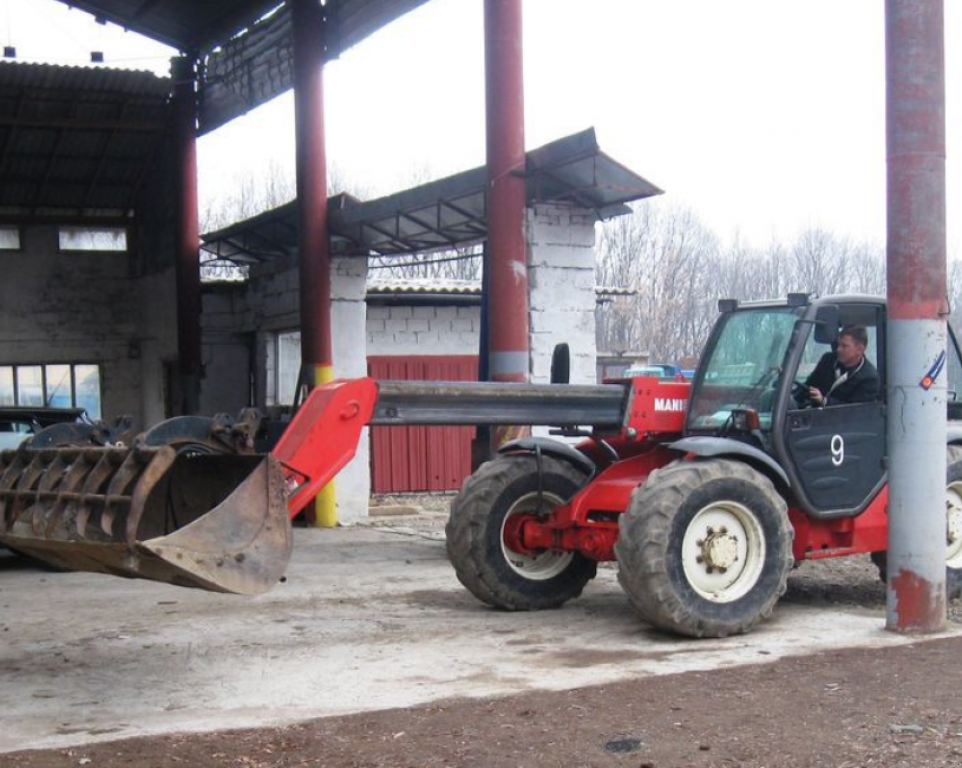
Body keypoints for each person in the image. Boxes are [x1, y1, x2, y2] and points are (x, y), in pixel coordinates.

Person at [805, 325, 880, 406]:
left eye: (844, 346)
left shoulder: (869, 378)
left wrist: (824, 401)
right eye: (838, 344)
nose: (838, 349)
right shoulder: (828, 360)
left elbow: (854, 410)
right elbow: (809, 385)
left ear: (859, 349)